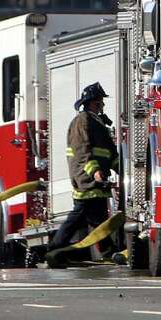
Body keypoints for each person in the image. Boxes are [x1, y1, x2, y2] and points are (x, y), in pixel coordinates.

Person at [47, 82, 119, 266]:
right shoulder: (82, 121)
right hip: (86, 177)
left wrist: (122, 170)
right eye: (99, 102)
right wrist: (94, 171)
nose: (102, 105)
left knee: (97, 218)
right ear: (90, 103)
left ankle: (108, 252)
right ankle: (55, 249)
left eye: (102, 102)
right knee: (81, 216)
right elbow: (82, 150)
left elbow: (110, 152)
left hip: (96, 177)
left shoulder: (97, 121)